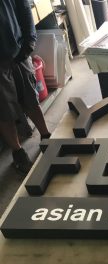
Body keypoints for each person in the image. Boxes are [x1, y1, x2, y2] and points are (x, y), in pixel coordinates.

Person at [0, 0, 51, 175]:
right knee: (4, 110)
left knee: (30, 98)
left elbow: (23, 6)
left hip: (18, 50)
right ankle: (18, 151)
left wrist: (30, 40)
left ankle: (46, 137)